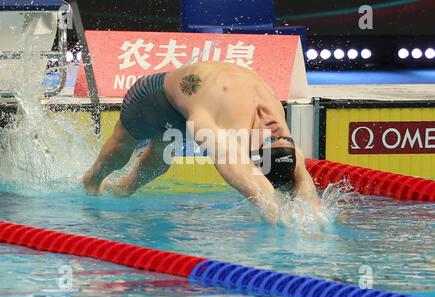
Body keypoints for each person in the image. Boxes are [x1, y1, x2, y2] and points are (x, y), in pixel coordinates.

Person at [83, 61, 320, 224]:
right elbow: (238, 168)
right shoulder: (249, 126)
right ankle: (91, 181)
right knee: (123, 147)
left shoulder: (256, 131)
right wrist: (272, 206)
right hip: (155, 98)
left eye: (276, 139)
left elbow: (287, 168)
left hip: (194, 106)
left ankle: (123, 188)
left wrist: (307, 214)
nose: (277, 129)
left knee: (160, 161)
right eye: (282, 139)